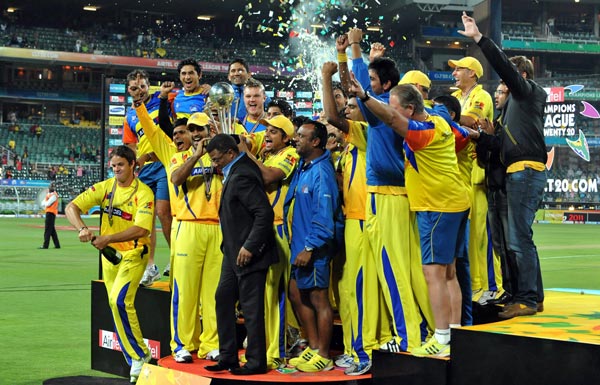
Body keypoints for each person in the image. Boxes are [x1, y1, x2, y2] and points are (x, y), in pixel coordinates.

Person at [349, 80, 470, 357]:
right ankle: (455, 333)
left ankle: (440, 339)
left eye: (394, 107)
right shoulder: (439, 119)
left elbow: (391, 119)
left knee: (433, 273)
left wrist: (366, 97)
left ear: (410, 109)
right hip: (456, 202)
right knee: (450, 274)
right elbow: (464, 134)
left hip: (436, 207)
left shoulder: (421, 133)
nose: (389, 111)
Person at [347, 27, 431, 353]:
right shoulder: (388, 109)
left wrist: (355, 49)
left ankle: (408, 336)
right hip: (394, 195)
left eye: (372, 77)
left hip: (387, 197)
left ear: (387, 85)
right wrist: (368, 58)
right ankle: (426, 329)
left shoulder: (384, 110)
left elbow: (358, 91)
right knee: (409, 268)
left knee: (392, 268)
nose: (367, 83)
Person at [459, 12, 547, 318]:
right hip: (515, 172)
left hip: (525, 170)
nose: (503, 86)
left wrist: (479, 39)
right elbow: (497, 146)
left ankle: (526, 298)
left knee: (518, 238)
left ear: (518, 76)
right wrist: (480, 135)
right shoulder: (511, 109)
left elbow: (504, 68)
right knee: (514, 239)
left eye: (508, 80)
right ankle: (522, 295)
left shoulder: (528, 93)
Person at [64, 145, 155, 383]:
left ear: (133, 164)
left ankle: (140, 355)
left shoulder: (143, 193)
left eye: (121, 165)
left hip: (135, 253)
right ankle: (135, 358)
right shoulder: (105, 187)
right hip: (110, 257)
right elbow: (71, 207)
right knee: (115, 306)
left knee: (119, 300)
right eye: (113, 165)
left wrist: (108, 238)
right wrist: (82, 228)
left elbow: (142, 228)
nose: (116, 169)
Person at [205, 134, 277, 375]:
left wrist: (249, 247)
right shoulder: (235, 171)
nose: (215, 164)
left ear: (230, 153)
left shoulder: (243, 174)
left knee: (251, 309)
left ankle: (256, 362)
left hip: (249, 254)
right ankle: (228, 356)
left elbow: (263, 214)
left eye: (217, 159)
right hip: (233, 253)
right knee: (223, 298)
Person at [322, 60, 376, 375]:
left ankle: (365, 351)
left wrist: (331, 74)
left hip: (366, 221)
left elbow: (331, 115)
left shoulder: (368, 135)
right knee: (347, 290)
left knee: (360, 289)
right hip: (352, 222)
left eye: (353, 107)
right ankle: (355, 349)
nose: (347, 112)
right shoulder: (348, 150)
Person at [240, 114, 299, 370]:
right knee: (262, 293)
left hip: (280, 229)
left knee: (277, 293)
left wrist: (247, 156)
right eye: (267, 130)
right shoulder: (265, 155)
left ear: (286, 138)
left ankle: (277, 351)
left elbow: (268, 178)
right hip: (262, 228)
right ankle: (261, 347)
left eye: (274, 132)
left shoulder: (290, 155)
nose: (268, 135)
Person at [283, 120, 342, 372]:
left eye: (301, 136)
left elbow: (324, 214)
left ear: (315, 141)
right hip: (299, 245)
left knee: (319, 299)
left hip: (313, 248)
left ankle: (324, 355)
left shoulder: (321, 172)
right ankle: (314, 347)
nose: (296, 139)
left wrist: (310, 247)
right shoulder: (304, 167)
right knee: (297, 293)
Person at [447, 54, 500, 307]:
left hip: (478, 175)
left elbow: (471, 121)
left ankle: (491, 286)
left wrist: (445, 116)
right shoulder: (455, 99)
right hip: (457, 173)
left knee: (482, 236)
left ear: (473, 73)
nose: (454, 73)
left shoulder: (482, 96)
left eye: (459, 69)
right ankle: (474, 284)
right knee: (467, 237)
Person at [123, 69, 173, 287]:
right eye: (135, 87)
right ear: (129, 90)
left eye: (143, 86)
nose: (140, 90)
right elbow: (131, 146)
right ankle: (151, 265)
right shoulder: (130, 115)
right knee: (146, 219)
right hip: (145, 170)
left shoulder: (166, 100)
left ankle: (175, 258)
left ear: (149, 86)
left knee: (163, 212)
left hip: (165, 163)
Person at [39, 183, 60, 249]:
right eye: (51, 186)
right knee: (52, 230)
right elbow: (43, 203)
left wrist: (45, 203)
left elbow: (47, 204)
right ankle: (57, 245)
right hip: (50, 213)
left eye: (52, 187)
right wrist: (45, 203)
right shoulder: (50, 195)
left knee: (47, 229)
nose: (51, 188)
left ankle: (45, 245)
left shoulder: (53, 195)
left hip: (51, 213)